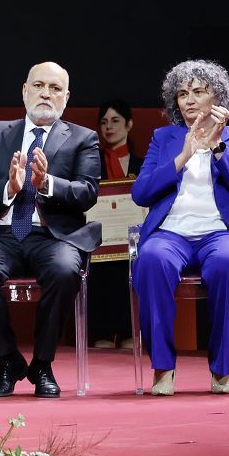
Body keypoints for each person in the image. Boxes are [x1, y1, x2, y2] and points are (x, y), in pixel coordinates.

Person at [0, 61, 101, 398]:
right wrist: (7, 188)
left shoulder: (83, 138)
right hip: (3, 234)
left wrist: (47, 182)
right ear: (24, 90)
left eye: (54, 89)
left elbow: (87, 192)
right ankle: (8, 359)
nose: (45, 94)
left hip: (53, 236)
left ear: (66, 97)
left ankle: (42, 362)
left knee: (66, 269)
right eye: (39, 86)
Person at [131, 59, 229, 396]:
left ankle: (221, 369)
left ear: (216, 97)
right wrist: (183, 155)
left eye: (198, 91)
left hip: (222, 234)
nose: (188, 100)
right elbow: (141, 192)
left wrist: (218, 148)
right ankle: (163, 368)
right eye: (182, 93)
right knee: (151, 260)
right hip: (169, 232)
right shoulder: (164, 137)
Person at [90, 99, 144, 349]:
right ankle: (100, 333)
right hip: (99, 245)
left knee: (135, 272)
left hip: (134, 245)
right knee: (98, 271)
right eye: (104, 122)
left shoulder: (143, 164)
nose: (109, 127)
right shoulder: (90, 164)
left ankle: (130, 333)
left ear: (129, 124)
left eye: (115, 121)